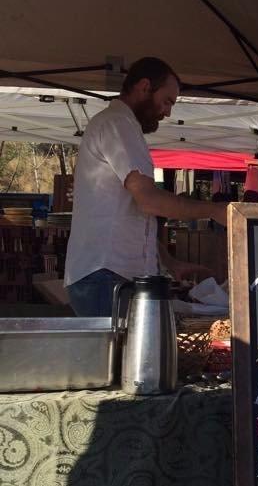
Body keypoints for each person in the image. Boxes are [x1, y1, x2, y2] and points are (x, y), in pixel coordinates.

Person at [64, 57, 229, 317]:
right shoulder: (118, 123)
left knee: (124, 357)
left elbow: (133, 216)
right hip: (105, 277)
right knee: (117, 358)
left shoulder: (121, 125)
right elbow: (149, 200)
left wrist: (168, 261)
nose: (168, 112)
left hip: (109, 276)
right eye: (167, 101)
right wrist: (213, 209)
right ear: (144, 87)